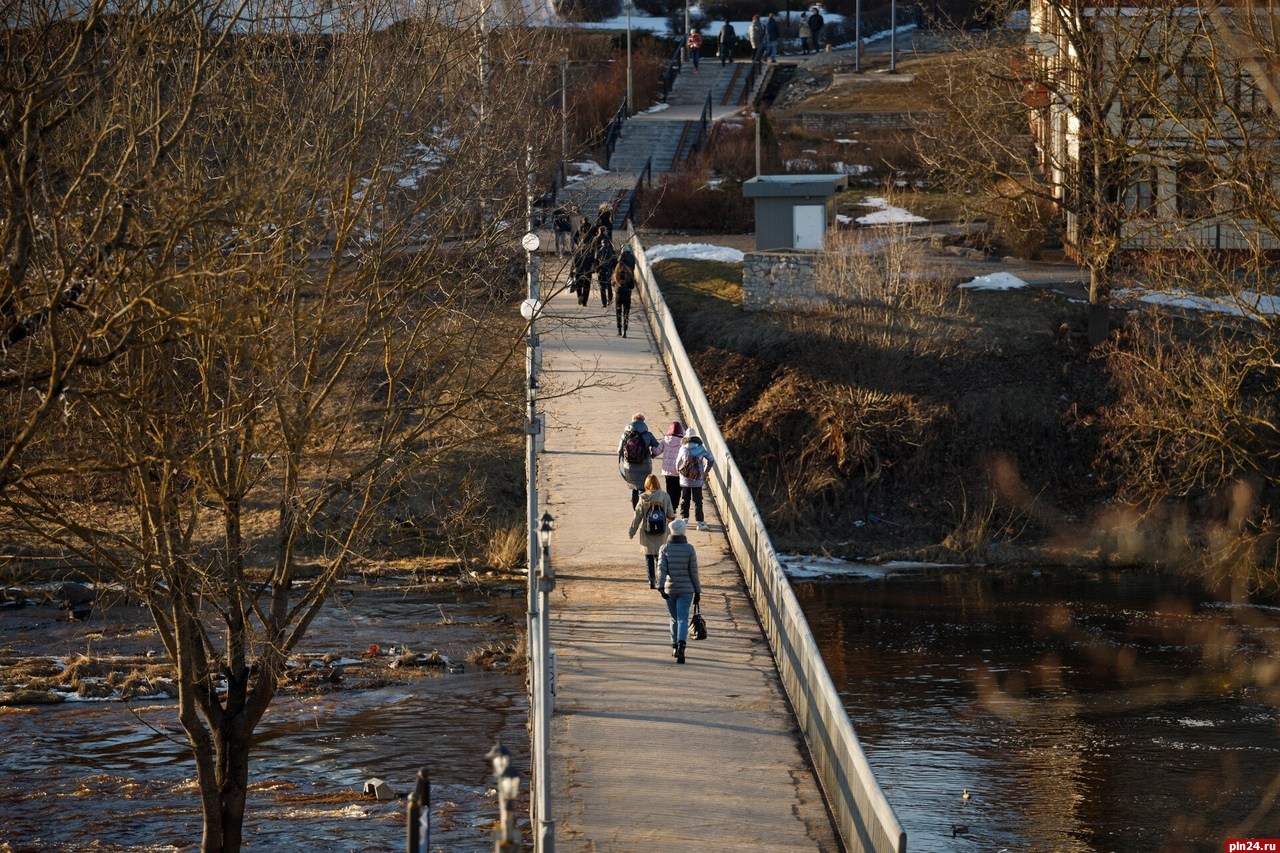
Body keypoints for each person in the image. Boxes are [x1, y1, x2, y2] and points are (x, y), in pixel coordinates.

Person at [656, 518, 700, 664]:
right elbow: (694, 572)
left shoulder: (664, 548)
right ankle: (682, 645)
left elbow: (661, 569)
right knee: (682, 618)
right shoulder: (689, 549)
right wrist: (698, 591)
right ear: (683, 531)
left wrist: (661, 586)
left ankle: (674, 645)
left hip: (670, 589)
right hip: (687, 589)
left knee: (673, 617)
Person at [628, 473, 676, 588]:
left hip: (647, 531)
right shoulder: (665, 496)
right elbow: (670, 514)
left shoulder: (643, 498)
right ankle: (661, 578)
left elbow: (637, 516)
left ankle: (651, 580)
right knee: (660, 556)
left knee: (648, 556)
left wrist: (632, 531)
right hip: (662, 531)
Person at [618, 412, 662, 508]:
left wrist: (624, 459)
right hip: (645, 465)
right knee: (643, 487)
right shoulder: (648, 435)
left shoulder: (625, 435)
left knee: (633, 487)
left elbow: (619, 450)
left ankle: (635, 510)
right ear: (643, 422)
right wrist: (652, 454)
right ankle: (643, 508)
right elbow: (658, 448)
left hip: (629, 466)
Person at [676, 427, 715, 531]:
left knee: (685, 499)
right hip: (698, 479)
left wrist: (679, 473)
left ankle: (684, 519)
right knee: (698, 501)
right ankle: (700, 523)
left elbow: (677, 463)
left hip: (685, 479)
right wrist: (706, 471)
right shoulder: (701, 448)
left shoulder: (683, 448)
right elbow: (711, 460)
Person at [659, 420, 685, 498]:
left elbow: (657, 451)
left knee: (670, 489)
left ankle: (671, 506)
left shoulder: (665, 441)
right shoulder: (683, 442)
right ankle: (675, 505)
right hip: (679, 469)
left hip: (667, 470)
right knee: (678, 489)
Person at [612, 251, 635, 336]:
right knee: (626, 313)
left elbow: (612, 284)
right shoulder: (628, 273)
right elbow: (632, 286)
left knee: (618, 313)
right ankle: (625, 331)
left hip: (618, 295)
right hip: (626, 295)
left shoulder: (615, 274)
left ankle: (619, 330)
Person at [571, 225, 594, 306]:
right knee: (587, 288)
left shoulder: (577, 254)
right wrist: (593, 270)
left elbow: (573, 263)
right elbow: (593, 263)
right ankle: (584, 302)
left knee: (579, 286)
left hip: (578, 272)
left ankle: (579, 296)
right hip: (587, 273)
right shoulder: (590, 255)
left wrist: (571, 272)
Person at [596, 234, 616, 308]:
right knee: (609, 286)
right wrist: (614, 270)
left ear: (602, 244)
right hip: (609, 271)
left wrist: (597, 270)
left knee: (602, 287)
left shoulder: (599, 252)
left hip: (601, 271)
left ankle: (604, 303)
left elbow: (595, 262)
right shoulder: (612, 252)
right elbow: (615, 262)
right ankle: (609, 299)